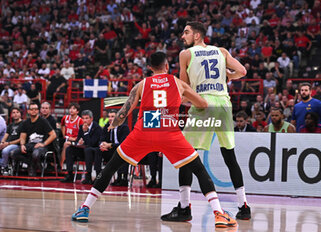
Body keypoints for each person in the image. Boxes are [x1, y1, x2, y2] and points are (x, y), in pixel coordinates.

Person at [72, 52, 237, 228]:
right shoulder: (177, 83)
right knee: (199, 170)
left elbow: (125, 111)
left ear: (150, 68)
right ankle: (219, 213)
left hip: (144, 130)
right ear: (167, 66)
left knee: (111, 167)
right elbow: (202, 104)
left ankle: (85, 208)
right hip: (169, 131)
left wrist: (113, 125)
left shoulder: (142, 84)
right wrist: (182, 99)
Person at [162, 21, 251, 221]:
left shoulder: (186, 54)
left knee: (185, 154)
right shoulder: (221, 51)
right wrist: (228, 76)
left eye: (186, 33)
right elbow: (243, 72)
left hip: (204, 104)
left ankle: (184, 207)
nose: (182, 36)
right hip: (224, 104)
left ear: (197, 36)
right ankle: (243, 206)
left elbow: (184, 88)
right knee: (230, 156)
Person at [14, 103, 56, 176]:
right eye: (32, 109)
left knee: (36, 154)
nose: (34, 111)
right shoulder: (25, 122)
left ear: (38, 111)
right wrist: (22, 145)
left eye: (36, 109)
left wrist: (44, 144)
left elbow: (53, 135)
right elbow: (23, 136)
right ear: (28, 111)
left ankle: (32, 167)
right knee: (14, 153)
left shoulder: (43, 121)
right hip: (29, 145)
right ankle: (32, 164)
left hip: (41, 146)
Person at [61, 110, 102, 184]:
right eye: (83, 118)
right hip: (83, 150)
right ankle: (70, 174)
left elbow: (92, 143)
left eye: (87, 118)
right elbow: (78, 140)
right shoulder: (81, 127)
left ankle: (88, 176)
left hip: (94, 152)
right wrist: (78, 142)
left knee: (88, 150)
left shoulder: (97, 128)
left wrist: (86, 132)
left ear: (91, 118)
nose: (85, 120)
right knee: (69, 149)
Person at [97, 109, 130, 186]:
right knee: (97, 151)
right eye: (109, 117)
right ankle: (98, 176)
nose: (110, 118)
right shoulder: (106, 126)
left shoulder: (124, 127)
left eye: (112, 116)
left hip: (120, 150)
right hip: (109, 150)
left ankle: (122, 178)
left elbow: (123, 144)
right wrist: (102, 145)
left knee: (120, 152)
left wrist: (110, 145)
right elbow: (101, 139)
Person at [60, 103, 83, 168]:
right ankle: (56, 164)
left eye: (74, 108)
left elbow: (82, 134)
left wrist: (74, 138)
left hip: (76, 140)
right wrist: (64, 134)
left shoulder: (80, 120)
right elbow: (62, 125)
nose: (71, 110)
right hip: (67, 138)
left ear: (77, 111)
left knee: (66, 144)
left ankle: (62, 165)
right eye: (70, 108)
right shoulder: (65, 118)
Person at [0, 107, 22, 175]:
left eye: (17, 112)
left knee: (5, 150)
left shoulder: (23, 124)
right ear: (11, 115)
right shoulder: (10, 125)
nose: (15, 114)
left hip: (17, 144)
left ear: (20, 114)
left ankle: (4, 167)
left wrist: (8, 143)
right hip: (8, 143)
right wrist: (2, 143)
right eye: (13, 113)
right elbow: (5, 136)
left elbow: (21, 139)